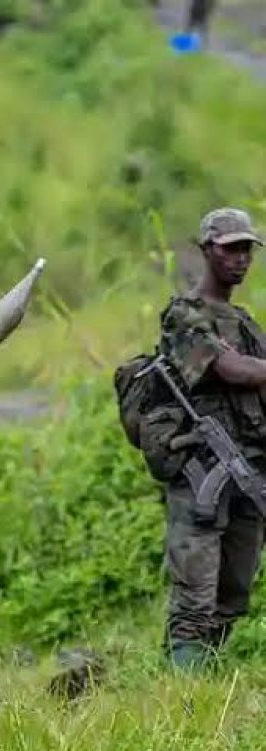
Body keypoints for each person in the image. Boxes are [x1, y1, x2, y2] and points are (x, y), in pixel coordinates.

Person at [158, 208, 264, 668]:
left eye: (247, 249)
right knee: (194, 597)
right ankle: (179, 690)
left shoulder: (243, 323)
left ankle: (207, 681)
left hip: (249, 467)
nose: (240, 259)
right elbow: (230, 369)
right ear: (206, 250)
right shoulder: (184, 315)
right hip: (202, 471)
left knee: (234, 591)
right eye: (230, 249)